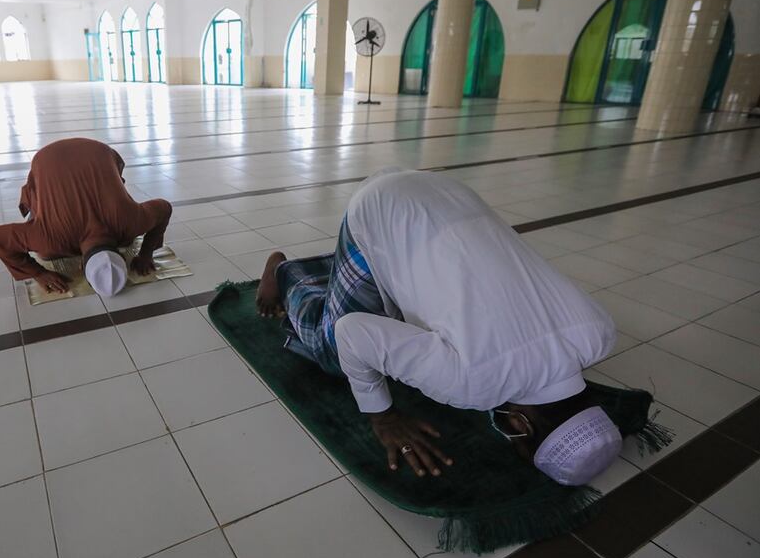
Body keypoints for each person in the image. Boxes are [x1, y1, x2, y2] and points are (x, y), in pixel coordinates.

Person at [256, 169, 621, 486]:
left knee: (387, 313)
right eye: (515, 438)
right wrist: (382, 417)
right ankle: (285, 274)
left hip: (449, 194)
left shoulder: (601, 335)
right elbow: (352, 333)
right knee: (332, 351)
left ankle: (349, 273)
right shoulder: (474, 385)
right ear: (521, 423)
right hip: (381, 208)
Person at [0, 137, 172, 298]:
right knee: (46, 254)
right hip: (49, 159)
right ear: (82, 266)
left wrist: (146, 253)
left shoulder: (132, 223)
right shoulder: (50, 240)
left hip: (99, 151)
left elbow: (164, 207)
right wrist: (38, 273)